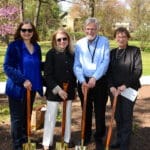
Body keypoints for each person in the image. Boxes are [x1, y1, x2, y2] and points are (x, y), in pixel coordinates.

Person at [3, 20, 43, 150]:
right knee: (17, 119)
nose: (26, 33)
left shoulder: (36, 47)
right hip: (17, 89)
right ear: (20, 31)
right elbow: (7, 67)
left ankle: (26, 142)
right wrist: (23, 80)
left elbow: (38, 66)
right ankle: (17, 145)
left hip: (30, 89)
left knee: (27, 117)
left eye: (29, 30)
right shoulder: (14, 46)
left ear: (33, 32)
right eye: (24, 30)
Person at [73, 17, 110, 150]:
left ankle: (99, 137)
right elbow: (76, 64)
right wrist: (82, 80)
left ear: (97, 29)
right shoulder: (79, 43)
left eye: (93, 29)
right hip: (83, 82)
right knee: (86, 110)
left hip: (99, 81)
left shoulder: (104, 41)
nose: (90, 31)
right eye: (88, 29)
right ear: (84, 29)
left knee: (100, 110)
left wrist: (95, 77)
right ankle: (86, 136)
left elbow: (105, 62)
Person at [107, 27, 142, 150]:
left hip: (129, 89)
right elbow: (108, 72)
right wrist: (111, 86)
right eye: (118, 36)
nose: (121, 39)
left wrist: (124, 85)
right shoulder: (112, 53)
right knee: (117, 116)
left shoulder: (135, 51)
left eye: (123, 36)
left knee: (126, 116)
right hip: (114, 91)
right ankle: (119, 139)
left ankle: (124, 145)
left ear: (127, 38)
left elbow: (137, 71)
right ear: (115, 38)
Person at [42, 28, 76, 150]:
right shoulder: (51, 54)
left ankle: (66, 139)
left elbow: (75, 72)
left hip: (69, 90)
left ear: (68, 39)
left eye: (64, 39)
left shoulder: (72, 54)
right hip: (54, 90)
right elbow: (48, 75)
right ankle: (47, 142)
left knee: (67, 116)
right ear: (55, 41)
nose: (62, 41)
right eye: (59, 39)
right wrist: (59, 90)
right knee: (51, 116)